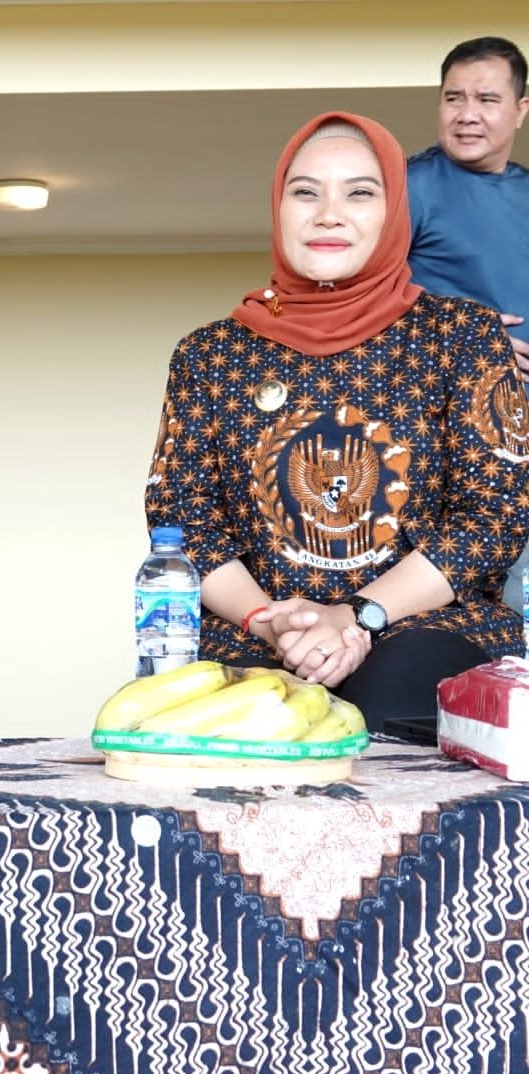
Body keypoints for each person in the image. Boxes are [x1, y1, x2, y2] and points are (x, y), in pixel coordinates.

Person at [145, 112, 529, 739]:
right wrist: (269, 621)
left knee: (386, 705)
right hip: (258, 635)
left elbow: (494, 517)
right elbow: (185, 522)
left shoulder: (462, 336)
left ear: (395, 212)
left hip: (424, 629)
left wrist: (356, 616)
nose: (329, 214)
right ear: (279, 209)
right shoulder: (209, 355)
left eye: (359, 193)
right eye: (306, 192)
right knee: (241, 729)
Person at [406, 36, 529, 612]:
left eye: (486, 99)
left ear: (520, 110)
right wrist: (472, 336)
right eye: (454, 98)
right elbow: (356, 293)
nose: (467, 114)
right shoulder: (409, 186)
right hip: (448, 438)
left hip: (522, 437)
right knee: (454, 606)